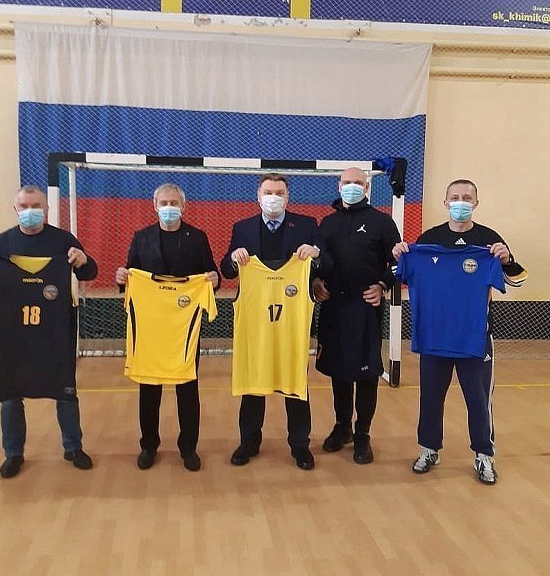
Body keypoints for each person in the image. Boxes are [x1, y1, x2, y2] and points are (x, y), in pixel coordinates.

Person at [393, 178, 526, 485]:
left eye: (467, 197)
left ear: (476, 203)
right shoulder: (429, 239)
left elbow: (516, 280)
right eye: (455, 197)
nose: (461, 202)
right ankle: (429, 449)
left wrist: (507, 260)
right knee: (430, 396)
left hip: (474, 337)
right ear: (445, 202)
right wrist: (399, 256)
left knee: (479, 399)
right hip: (434, 336)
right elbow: (399, 275)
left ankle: (484, 455)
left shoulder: (489, 240)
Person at [0, 185, 98, 479]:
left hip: (54, 330)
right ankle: (13, 453)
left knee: (65, 389)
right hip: (12, 333)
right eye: (24, 207)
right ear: (16, 210)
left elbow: (90, 273)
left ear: (46, 209)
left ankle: (73, 447)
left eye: (36, 206)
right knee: (11, 393)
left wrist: (84, 261)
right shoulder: (0, 244)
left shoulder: (64, 241)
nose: (30, 212)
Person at [220, 173, 322, 470]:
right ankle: (249, 441)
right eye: (268, 192)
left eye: (279, 192)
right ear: (258, 196)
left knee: (295, 383)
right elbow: (227, 270)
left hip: (292, 319)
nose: (273, 197)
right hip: (256, 321)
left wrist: (316, 255)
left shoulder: (306, 225)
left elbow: (325, 264)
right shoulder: (242, 228)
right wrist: (233, 257)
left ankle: (300, 445)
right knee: (253, 382)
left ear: (288, 197)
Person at [116, 183, 220, 472]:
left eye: (174, 202)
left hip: (184, 326)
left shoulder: (197, 238)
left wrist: (214, 280)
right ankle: (149, 445)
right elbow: (130, 274)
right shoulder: (142, 237)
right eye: (164, 202)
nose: (169, 207)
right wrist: (122, 278)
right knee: (149, 388)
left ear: (184, 206)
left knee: (187, 387)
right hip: (151, 326)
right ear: (155, 205)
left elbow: (211, 273)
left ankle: (188, 447)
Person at [314, 167, 400, 464]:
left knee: (367, 373)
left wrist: (383, 285)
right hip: (334, 307)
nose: (352, 187)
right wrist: (316, 282)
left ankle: (362, 433)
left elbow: (399, 263)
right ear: (339, 186)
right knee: (338, 370)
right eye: (347, 182)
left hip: (365, 307)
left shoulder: (382, 222)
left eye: (358, 183)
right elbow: (318, 262)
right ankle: (342, 427)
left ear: (367, 188)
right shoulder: (327, 223)